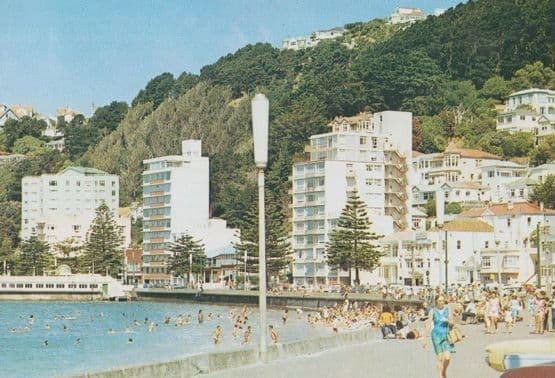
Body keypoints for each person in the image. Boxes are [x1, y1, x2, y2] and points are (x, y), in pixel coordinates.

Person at [423, 296, 454, 378]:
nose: (441, 302)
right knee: (439, 358)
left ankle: (444, 371)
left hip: (446, 334)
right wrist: (425, 338)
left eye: (443, 300)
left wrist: (448, 321)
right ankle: (440, 376)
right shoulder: (432, 311)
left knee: (447, 357)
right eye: (440, 301)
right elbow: (428, 324)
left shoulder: (448, 310)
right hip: (436, 335)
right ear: (436, 302)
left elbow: (452, 323)